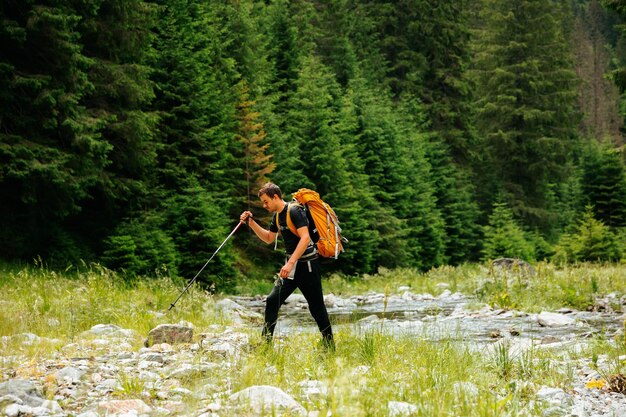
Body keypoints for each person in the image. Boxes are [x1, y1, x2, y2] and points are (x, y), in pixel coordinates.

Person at [240, 182, 335, 350]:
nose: (264, 205)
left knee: (317, 308)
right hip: (291, 268)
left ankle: (329, 345)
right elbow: (269, 238)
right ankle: (266, 345)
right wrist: (251, 223)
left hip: (307, 266)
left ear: (275, 197)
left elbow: (305, 238)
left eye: (266, 201)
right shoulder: (277, 216)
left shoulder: (294, 211)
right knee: (271, 300)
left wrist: (290, 263)